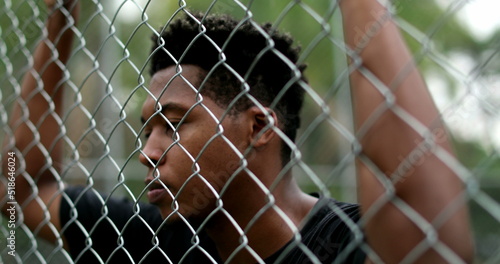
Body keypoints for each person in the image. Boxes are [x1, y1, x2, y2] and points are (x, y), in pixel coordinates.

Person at [1, 0, 474, 263]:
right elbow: (17, 190)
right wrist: (61, 17)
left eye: (173, 124)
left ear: (258, 126)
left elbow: (428, 235)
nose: (147, 153)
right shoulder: (156, 238)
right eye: (147, 130)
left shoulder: (345, 245)